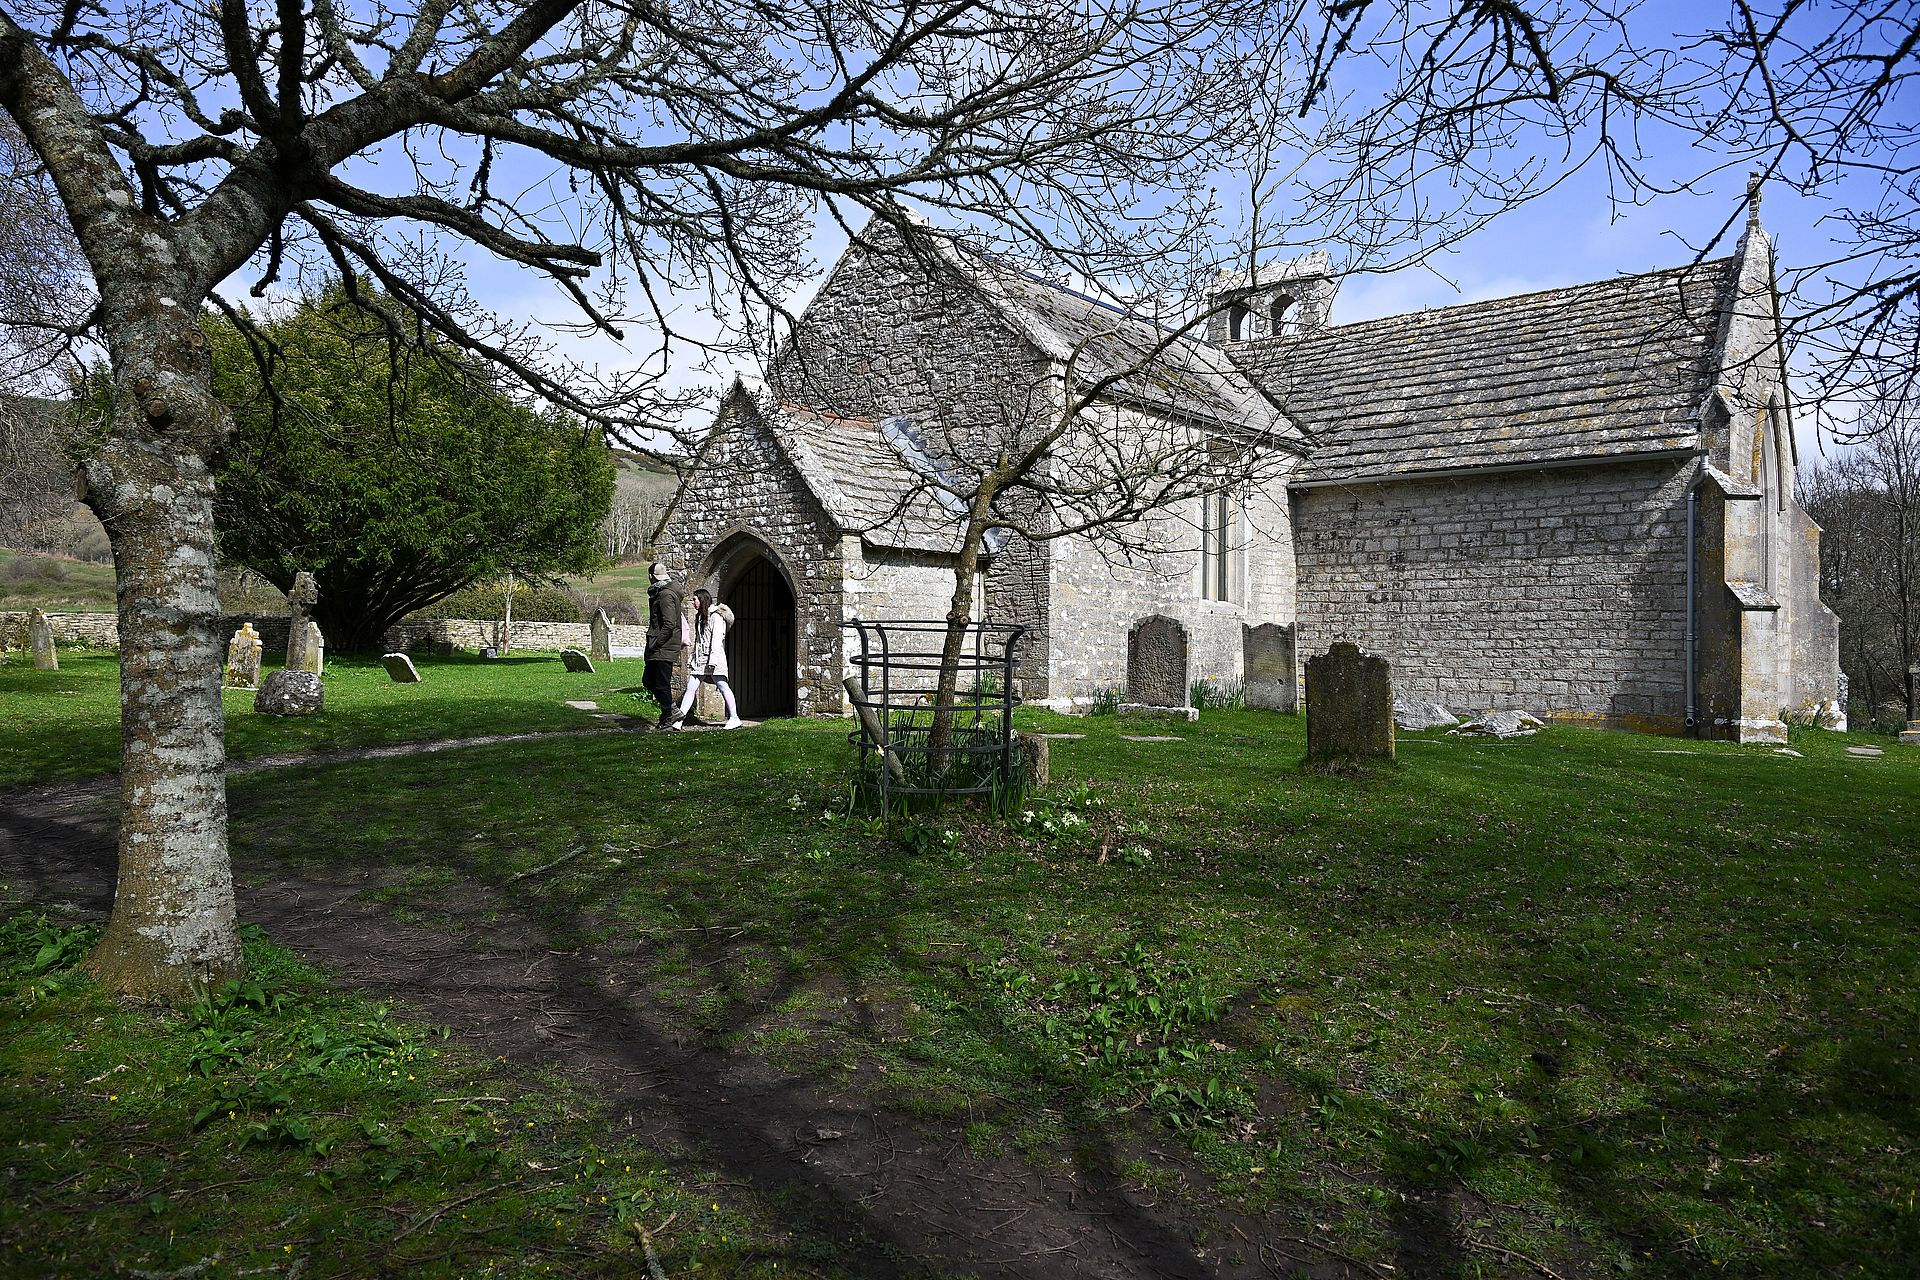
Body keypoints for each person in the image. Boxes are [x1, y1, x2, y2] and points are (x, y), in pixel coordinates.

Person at [668, 588, 743, 730]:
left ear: (702, 599)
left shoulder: (716, 617)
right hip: (700, 660)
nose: (693, 602)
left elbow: (716, 640)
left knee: (722, 686)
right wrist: (692, 658)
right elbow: (698, 641)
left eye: (695, 599)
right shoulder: (700, 617)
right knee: (691, 688)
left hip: (714, 659)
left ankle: (734, 717)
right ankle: (679, 720)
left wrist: (713, 661)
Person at [642, 562, 684, 728]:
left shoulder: (665, 595)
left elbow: (669, 624)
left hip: (663, 647)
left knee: (661, 683)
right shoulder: (661, 592)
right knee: (649, 681)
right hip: (659, 646)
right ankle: (672, 710)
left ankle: (667, 717)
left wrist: (657, 642)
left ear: (651, 576)